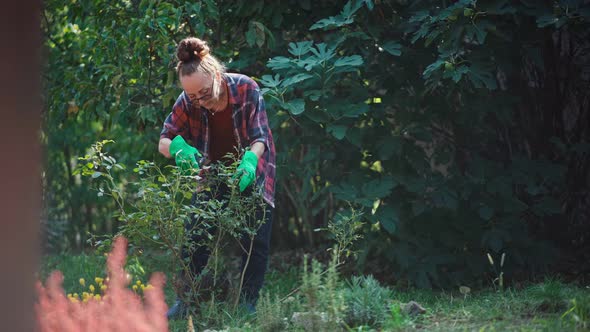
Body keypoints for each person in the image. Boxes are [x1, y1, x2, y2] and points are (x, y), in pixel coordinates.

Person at [158, 37, 276, 319]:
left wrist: (248, 161)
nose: (199, 100)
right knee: (195, 235)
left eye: (203, 92)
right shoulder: (188, 100)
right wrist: (178, 148)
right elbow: (163, 140)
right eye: (193, 96)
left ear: (215, 73)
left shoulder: (246, 87)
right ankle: (185, 302)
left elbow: (260, 137)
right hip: (211, 174)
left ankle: (247, 303)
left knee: (255, 239)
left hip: (253, 170)